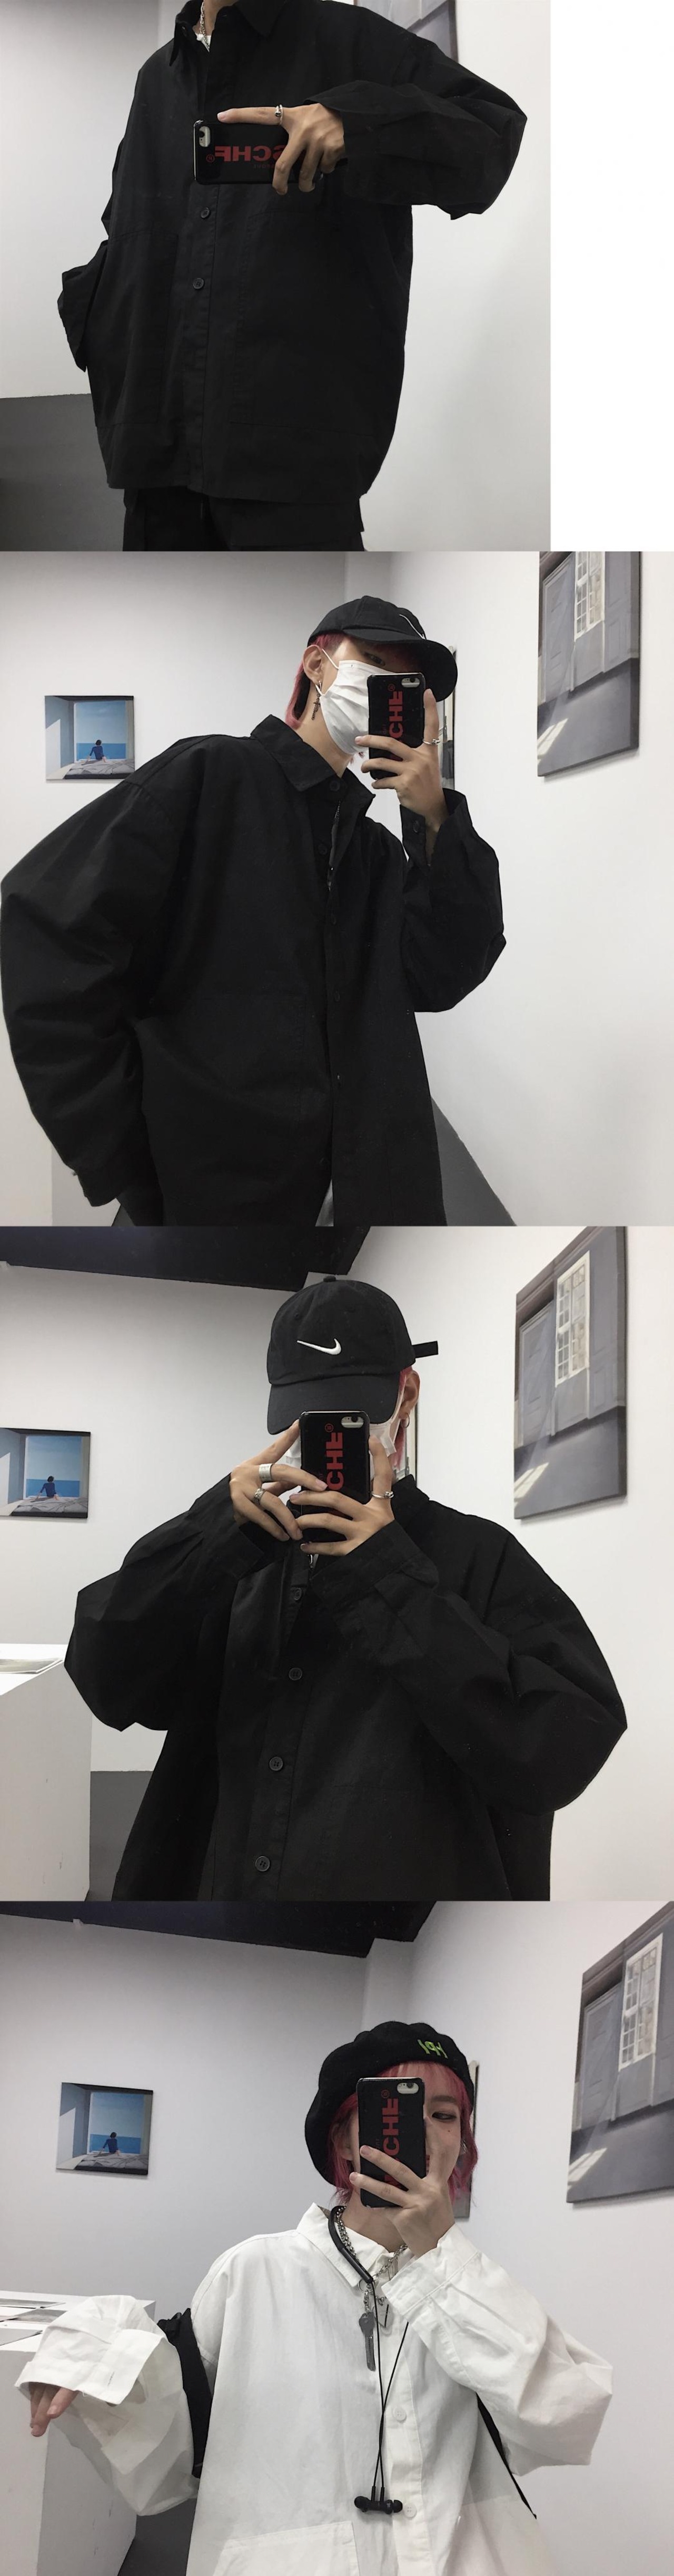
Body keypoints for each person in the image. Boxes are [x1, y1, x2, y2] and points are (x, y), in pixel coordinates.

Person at [63, 1278, 626, 1900]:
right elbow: (105, 1678)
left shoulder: (479, 1557)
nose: (328, 1437)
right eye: (306, 1418)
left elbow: (561, 1753)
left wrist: (390, 1578)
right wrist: (209, 1533)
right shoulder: (236, 1557)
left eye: (349, 1414)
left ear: (406, 1395)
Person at [21, 2016, 612, 2574]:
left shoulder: (474, 2289)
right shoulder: (255, 2272)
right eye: (396, 2112)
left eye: (444, 2114)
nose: (425, 2135)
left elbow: (566, 2415)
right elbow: (168, 2449)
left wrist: (442, 2260)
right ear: (345, 2139)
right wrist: (94, 2356)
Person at [0, 596, 505, 1226]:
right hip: (212, 1197)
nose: (387, 687)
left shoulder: (374, 851)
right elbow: (44, 925)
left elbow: (442, 974)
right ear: (317, 666)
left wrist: (432, 816)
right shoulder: (209, 776)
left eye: (407, 683)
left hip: (371, 1192)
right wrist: (122, 1157)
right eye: (374, 663)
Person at [56, 1, 526, 552]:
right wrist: (95, 317)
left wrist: (354, 121)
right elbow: (130, 224)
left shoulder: (347, 40)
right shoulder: (157, 77)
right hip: (155, 468)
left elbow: (492, 135)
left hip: (294, 471)